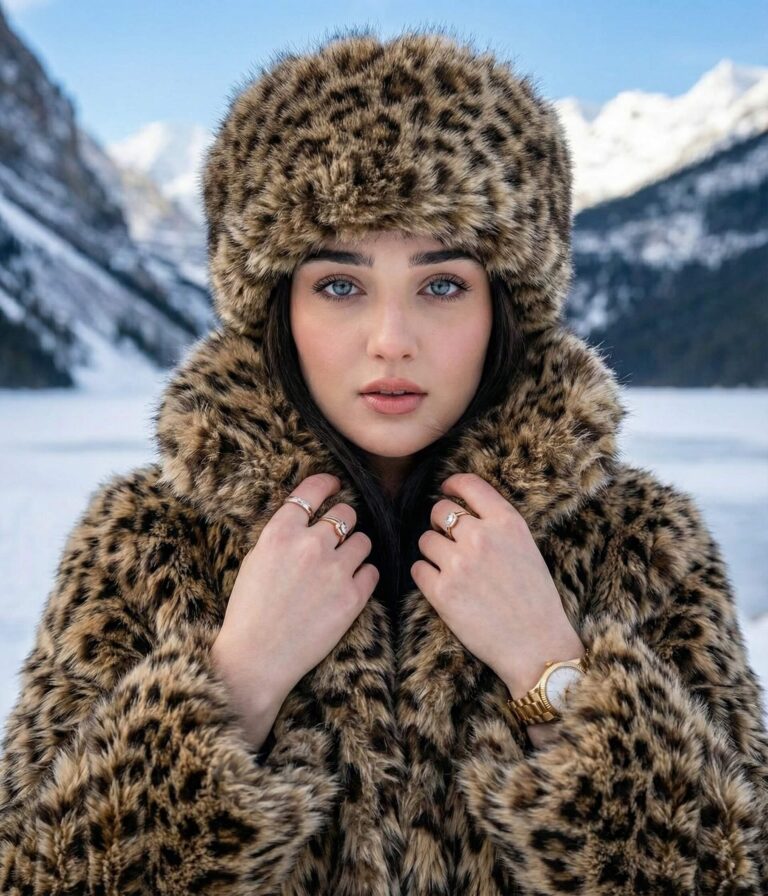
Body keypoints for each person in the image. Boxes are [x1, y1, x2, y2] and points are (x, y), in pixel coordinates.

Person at [1, 26, 766, 896]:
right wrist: (237, 684)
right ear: (276, 308)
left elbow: (728, 874)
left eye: (441, 285)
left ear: (505, 304)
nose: (391, 341)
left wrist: (550, 671)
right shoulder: (141, 546)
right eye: (339, 285)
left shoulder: (643, 545)